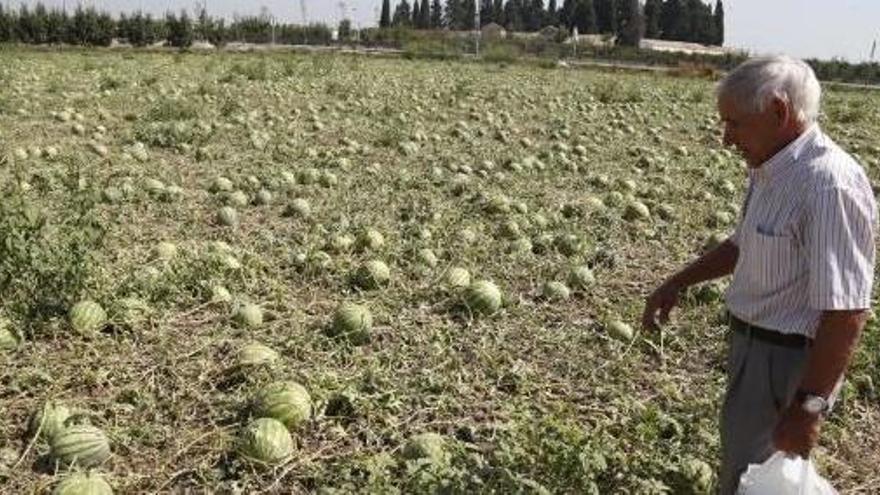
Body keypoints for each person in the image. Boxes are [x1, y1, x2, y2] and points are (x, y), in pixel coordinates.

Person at [641, 55, 877, 494]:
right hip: (753, 349)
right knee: (747, 471)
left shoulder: (828, 186)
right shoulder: (770, 168)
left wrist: (807, 406)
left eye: (735, 124)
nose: (726, 138)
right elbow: (742, 244)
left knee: (752, 478)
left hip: (788, 363)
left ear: (779, 112)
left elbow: (846, 311)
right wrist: (678, 281)